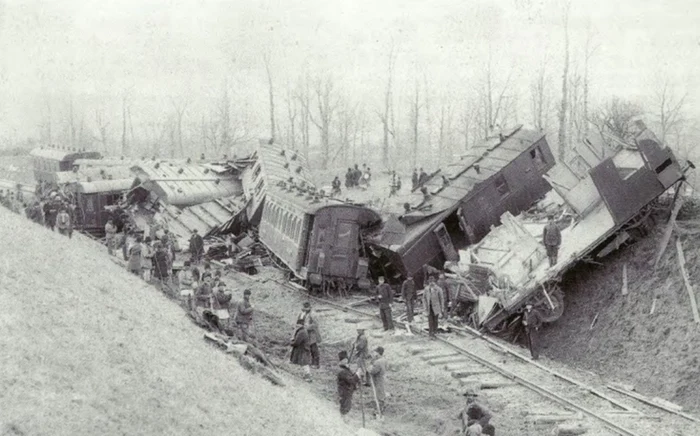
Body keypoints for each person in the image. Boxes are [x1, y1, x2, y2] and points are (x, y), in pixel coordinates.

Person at [298, 302, 322, 369]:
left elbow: (315, 324)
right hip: (306, 333)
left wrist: (307, 327)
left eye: (306, 309)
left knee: (313, 348)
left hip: (312, 333)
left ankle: (316, 363)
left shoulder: (313, 314)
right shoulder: (304, 314)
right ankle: (309, 361)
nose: (304, 310)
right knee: (306, 347)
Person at [366, 346, 387, 416]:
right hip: (382, 378)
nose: (373, 354)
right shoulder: (384, 360)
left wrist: (369, 368)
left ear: (378, 353)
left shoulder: (377, 362)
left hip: (377, 380)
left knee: (378, 395)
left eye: (375, 352)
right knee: (381, 394)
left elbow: (373, 371)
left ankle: (378, 411)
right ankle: (381, 410)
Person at [422, 275, 445, 339]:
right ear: (429, 282)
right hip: (429, 307)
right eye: (430, 282)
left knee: (435, 320)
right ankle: (430, 333)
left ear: (434, 282)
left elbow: (441, 299)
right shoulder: (426, 289)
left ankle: (435, 332)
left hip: (436, 307)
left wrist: (442, 309)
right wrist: (425, 307)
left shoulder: (438, 289)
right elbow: (423, 298)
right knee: (430, 320)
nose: (431, 283)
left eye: (432, 282)